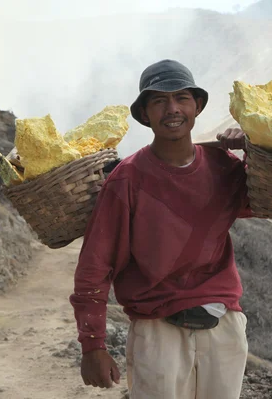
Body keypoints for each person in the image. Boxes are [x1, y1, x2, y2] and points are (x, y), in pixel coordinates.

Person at [69, 59, 258, 399]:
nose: (172, 109)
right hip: (158, 333)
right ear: (145, 113)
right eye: (159, 101)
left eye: (182, 98)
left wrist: (255, 151)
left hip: (224, 327)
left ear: (197, 106)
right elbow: (94, 268)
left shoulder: (222, 167)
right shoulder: (126, 180)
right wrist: (92, 345)